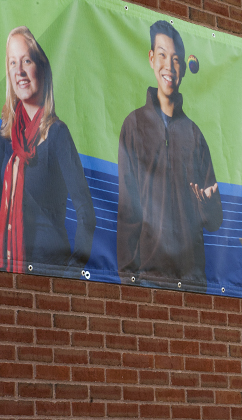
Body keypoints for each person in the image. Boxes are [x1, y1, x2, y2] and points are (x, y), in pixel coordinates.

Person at [117, 20, 222, 291]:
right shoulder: (134, 125)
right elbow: (128, 210)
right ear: (151, 58)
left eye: (176, 59)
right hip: (149, 279)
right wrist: (127, 279)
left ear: (183, 70)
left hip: (192, 282)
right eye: (162, 55)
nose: (169, 66)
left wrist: (208, 204)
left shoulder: (195, 136)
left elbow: (214, 220)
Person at [0, 26, 96, 274]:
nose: (19, 71)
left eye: (26, 61)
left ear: (41, 68)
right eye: (12, 63)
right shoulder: (4, 140)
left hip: (48, 276)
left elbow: (87, 214)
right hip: (9, 271)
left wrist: (70, 273)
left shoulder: (56, 134)